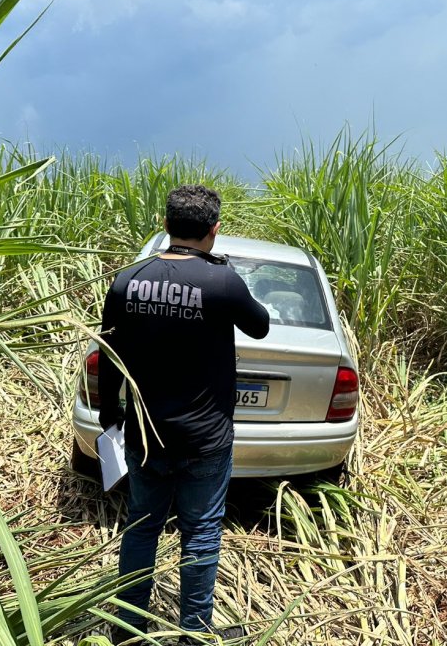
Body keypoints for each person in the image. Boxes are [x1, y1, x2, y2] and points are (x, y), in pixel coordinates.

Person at [98, 185, 270, 643]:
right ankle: (194, 634)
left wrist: (108, 415)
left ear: (165, 223)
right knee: (201, 533)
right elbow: (260, 325)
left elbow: (109, 352)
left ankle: (127, 630)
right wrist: (229, 277)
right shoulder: (222, 281)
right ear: (214, 230)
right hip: (205, 439)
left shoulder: (127, 280)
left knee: (140, 528)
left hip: (145, 435)